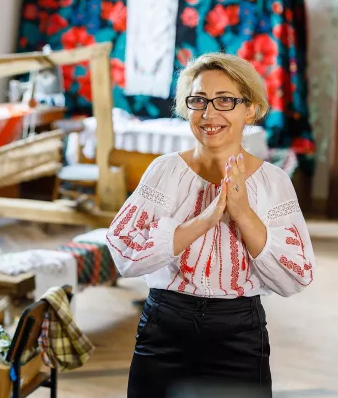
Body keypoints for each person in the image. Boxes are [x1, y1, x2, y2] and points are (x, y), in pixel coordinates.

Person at [106, 52, 315, 398]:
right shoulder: (164, 171)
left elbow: (296, 276)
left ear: (250, 109)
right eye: (199, 100)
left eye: (225, 101)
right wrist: (205, 219)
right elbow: (124, 253)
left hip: (239, 334)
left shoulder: (273, 183)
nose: (209, 113)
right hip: (164, 328)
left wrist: (243, 213)